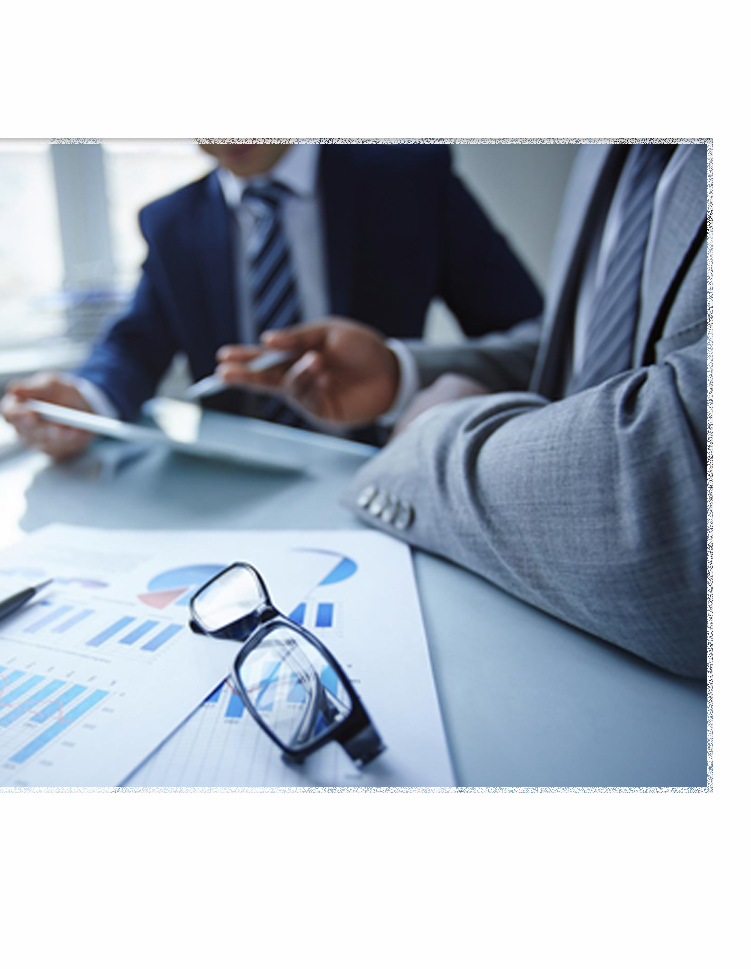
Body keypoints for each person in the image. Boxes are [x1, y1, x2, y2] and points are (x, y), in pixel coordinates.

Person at [218, 142, 707, 679]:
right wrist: (401, 374)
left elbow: (680, 494)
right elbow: (578, 351)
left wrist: (423, 433)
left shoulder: (412, 171)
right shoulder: (607, 152)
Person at [0, 142, 543, 458]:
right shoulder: (172, 222)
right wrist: (83, 397)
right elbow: (135, 343)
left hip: (387, 463)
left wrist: (413, 384)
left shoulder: (409, 180)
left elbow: (533, 339)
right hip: (238, 484)